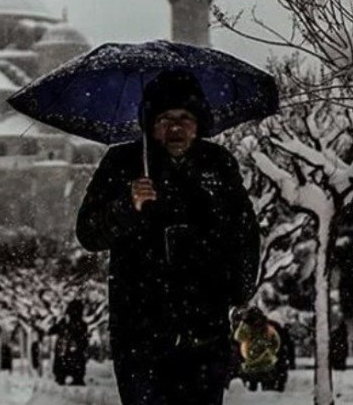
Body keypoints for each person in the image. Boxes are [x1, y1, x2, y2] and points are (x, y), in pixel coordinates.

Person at [76, 72, 261, 405]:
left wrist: (237, 287)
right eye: (165, 119)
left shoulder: (217, 164)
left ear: (198, 123)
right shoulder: (123, 163)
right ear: (150, 123)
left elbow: (245, 231)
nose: (175, 128)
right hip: (140, 327)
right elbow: (88, 232)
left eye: (184, 119)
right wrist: (127, 206)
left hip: (204, 326)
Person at [232, 307, 289, 392]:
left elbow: (277, 345)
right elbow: (238, 337)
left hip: (265, 363)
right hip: (253, 363)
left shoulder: (270, 328)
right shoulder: (248, 328)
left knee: (265, 390)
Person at [49, 299, 90, 386]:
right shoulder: (81, 324)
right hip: (73, 349)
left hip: (66, 349)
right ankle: (76, 378)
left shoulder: (67, 323)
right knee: (75, 363)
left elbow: (53, 330)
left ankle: (63, 377)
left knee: (64, 363)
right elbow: (84, 338)